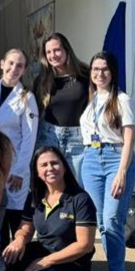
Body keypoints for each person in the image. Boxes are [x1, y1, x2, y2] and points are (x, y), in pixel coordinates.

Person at [4, 146, 97, 271]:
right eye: (44, 165)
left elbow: (85, 245)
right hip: (45, 251)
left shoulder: (80, 199)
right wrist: (19, 239)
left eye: (54, 163)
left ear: (64, 166)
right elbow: (26, 228)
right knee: (12, 257)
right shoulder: (35, 196)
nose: (50, 168)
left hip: (72, 261)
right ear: (37, 172)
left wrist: (46, 261)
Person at [80, 51, 135, 271]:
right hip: (91, 160)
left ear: (112, 72)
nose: (99, 74)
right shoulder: (91, 98)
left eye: (104, 69)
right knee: (102, 223)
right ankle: (117, 269)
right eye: (95, 69)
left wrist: (122, 171)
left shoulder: (122, 99)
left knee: (113, 218)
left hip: (116, 159)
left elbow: (129, 136)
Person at [0, 49, 39, 270]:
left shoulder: (27, 97)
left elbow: (30, 137)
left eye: (20, 65)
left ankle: (18, 261)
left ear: (24, 70)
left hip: (14, 166)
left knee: (15, 214)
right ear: (2, 64)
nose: (14, 69)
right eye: (11, 63)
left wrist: (20, 170)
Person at [33, 33, 89, 184]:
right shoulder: (41, 81)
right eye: (48, 52)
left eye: (57, 50)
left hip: (78, 139)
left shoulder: (86, 75)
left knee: (78, 186)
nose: (53, 55)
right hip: (48, 136)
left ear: (67, 50)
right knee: (48, 185)